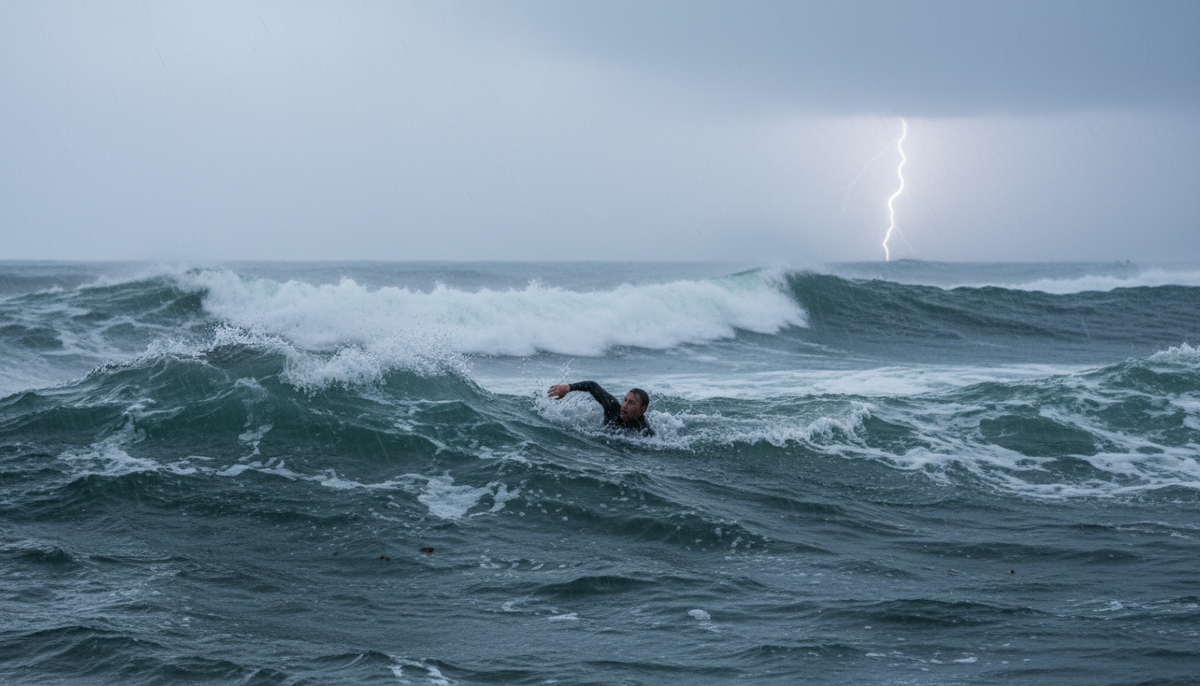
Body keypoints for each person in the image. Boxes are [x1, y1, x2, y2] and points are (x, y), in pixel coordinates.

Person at [547, 381, 654, 436]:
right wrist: (568, 387)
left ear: (642, 410)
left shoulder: (644, 430)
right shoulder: (614, 408)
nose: (624, 406)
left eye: (631, 403)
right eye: (625, 400)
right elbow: (592, 386)